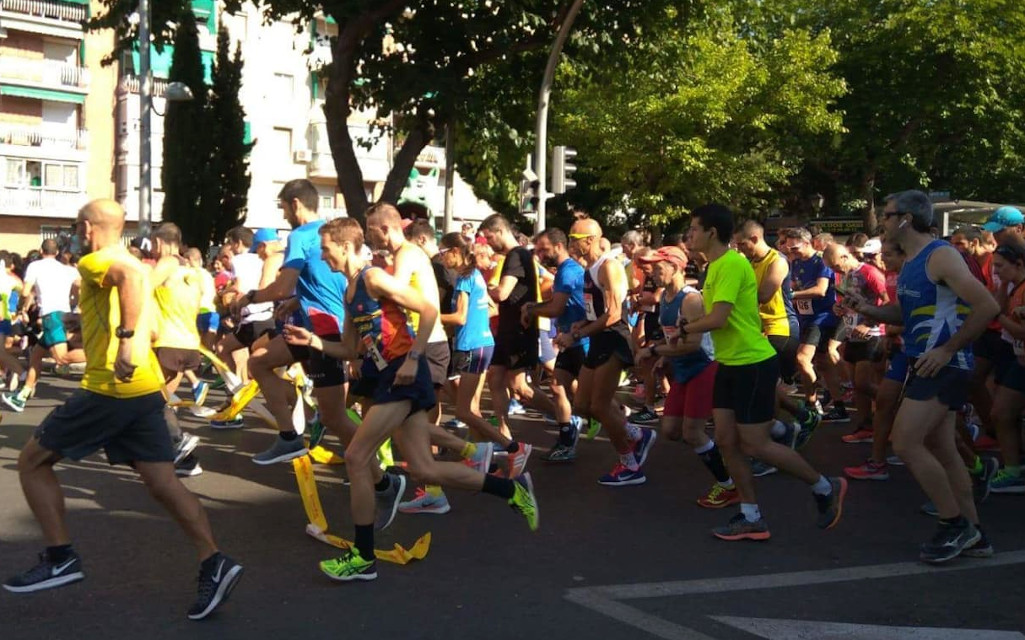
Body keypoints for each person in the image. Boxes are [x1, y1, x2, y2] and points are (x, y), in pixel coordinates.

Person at [3, 200, 243, 619]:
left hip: (109, 390)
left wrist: (126, 338)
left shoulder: (102, 260)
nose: (76, 236)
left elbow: (133, 299)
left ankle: (60, 557)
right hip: (143, 388)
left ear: (86, 227)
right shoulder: (132, 265)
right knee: (163, 482)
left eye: (78, 228)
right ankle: (214, 560)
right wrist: (108, 335)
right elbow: (146, 320)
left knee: (32, 462)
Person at [282, 218, 538, 582]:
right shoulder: (350, 290)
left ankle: (363, 556)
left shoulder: (373, 278)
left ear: (345, 246)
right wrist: (312, 341)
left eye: (325, 249)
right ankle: (512, 490)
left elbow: (428, 310)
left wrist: (415, 358)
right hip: (390, 375)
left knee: (356, 456)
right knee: (424, 469)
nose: (322, 257)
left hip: (403, 372)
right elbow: (351, 349)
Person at [683, 204, 847, 541]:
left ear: (712, 232)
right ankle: (751, 516)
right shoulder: (714, 266)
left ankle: (824, 485)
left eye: (694, 229)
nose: (690, 236)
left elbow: (719, 318)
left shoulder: (730, 264)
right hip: (729, 364)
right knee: (727, 442)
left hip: (752, 364)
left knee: (755, 444)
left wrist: (687, 326)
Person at [851, 190, 998, 562]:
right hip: (924, 361)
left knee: (905, 441)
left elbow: (987, 306)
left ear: (906, 219)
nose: (882, 222)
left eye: (887, 215)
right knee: (943, 449)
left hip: (946, 364)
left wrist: (947, 349)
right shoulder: (913, 261)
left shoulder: (941, 255)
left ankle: (954, 525)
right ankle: (974, 532)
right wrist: (867, 308)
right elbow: (909, 313)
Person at [233, 181, 359, 469]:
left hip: (327, 330)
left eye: (284, 208)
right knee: (259, 362)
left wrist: (250, 297)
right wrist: (298, 300)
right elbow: (319, 278)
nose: (284, 216)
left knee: (335, 416)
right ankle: (289, 437)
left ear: (296, 204)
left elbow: (281, 287)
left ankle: (377, 472)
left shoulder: (301, 235)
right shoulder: (331, 232)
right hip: (311, 326)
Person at [636, 246, 737, 508]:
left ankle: (729, 484)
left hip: (703, 367)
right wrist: (665, 357)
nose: (653, 274)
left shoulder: (690, 299)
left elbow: (692, 344)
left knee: (692, 432)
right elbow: (675, 336)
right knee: (670, 430)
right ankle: (717, 452)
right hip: (682, 368)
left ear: (676, 267)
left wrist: (654, 350)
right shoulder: (666, 298)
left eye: (658, 268)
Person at [564, 218, 656, 486]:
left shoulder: (609, 267)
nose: (570, 244)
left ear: (590, 240)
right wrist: (583, 321)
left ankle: (630, 465)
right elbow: (598, 310)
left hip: (614, 339)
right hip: (599, 338)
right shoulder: (589, 268)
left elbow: (615, 314)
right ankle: (636, 433)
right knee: (581, 404)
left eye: (573, 238)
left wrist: (578, 333)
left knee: (601, 406)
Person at [526, 228, 589, 461]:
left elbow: (555, 308)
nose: (540, 254)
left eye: (544, 249)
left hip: (583, 339)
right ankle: (566, 438)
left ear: (559, 246)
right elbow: (556, 304)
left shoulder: (568, 271)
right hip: (570, 338)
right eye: (538, 249)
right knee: (556, 386)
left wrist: (530, 308)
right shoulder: (563, 270)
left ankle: (629, 428)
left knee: (592, 401)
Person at [3, 239, 86, 412]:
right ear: (56, 253)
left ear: (41, 251)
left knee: (61, 358)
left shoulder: (35, 266)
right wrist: (75, 301)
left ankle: (102, 356)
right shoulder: (67, 269)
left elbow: (25, 292)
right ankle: (22, 396)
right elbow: (80, 285)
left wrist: (20, 308)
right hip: (65, 314)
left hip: (51, 316)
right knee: (35, 356)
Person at [783, 228, 847, 421]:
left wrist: (790, 295)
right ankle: (838, 406)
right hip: (806, 317)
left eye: (795, 248)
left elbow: (820, 290)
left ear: (807, 243)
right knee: (823, 364)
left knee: (802, 358)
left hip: (823, 317)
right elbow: (794, 286)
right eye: (789, 249)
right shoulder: (795, 262)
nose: (792, 252)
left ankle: (812, 403)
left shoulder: (821, 261)